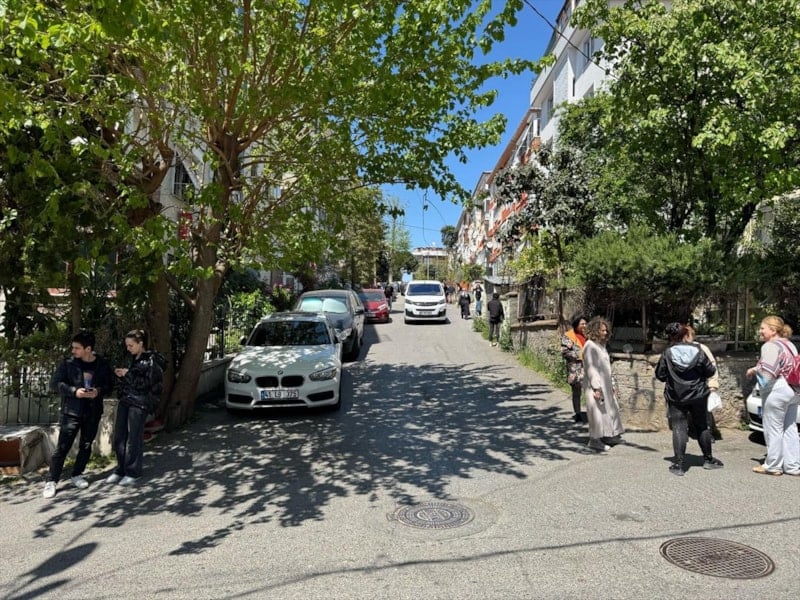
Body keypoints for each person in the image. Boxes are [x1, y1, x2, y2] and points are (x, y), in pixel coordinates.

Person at [43, 331, 114, 499]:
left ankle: (77, 474)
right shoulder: (68, 363)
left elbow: (110, 384)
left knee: (86, 445)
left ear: (88, 349)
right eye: (73, 347)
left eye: (77, 348)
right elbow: (54, 384)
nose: (73, 351)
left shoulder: (102, 364)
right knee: (62, 447)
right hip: (72, 412)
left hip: (93, 411)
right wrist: (74, 391)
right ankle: (51, 480)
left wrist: (98, 391)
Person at [655, 322, 722, 476]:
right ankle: (708, 460)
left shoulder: (668, 353)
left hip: (676, 396)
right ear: (685, 334)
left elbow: (660, 375)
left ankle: (679, 465)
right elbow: (710, 371)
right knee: (702, 425)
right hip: (698, 395)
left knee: (679, 427)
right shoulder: (698, 350)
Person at [108, 330, 164, 486]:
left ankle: (133, 472)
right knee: (120, 437)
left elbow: (148, 384)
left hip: (139, 402)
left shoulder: (152, 361)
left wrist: (128, 374)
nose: (128, 348)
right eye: (127, 345)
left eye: (131, 345)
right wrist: (121, 375)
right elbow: (129, 380)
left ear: (141, 344)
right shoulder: (131, 358)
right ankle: (121, 469)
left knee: (134, 438)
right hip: (126, 399)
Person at [746, 316, 800, 476]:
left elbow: (768, 373)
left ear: (773, 330)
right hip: (794, 389)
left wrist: (754, 371)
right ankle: (792, 466)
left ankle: (773, 465)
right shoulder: (789, 344)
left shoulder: (770, 346)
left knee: (773, 428)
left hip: (778, 390)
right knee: (790, 428)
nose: (760, 331)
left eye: (763, 328)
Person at [582, 317, 624, 452]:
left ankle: (608, 435)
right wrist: (596, 388)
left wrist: (612, 384)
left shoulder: (601, 345)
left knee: (608, 410)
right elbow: (591, 368)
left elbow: (607, 367)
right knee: (596, 413)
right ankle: (594, 440)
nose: (605, 333)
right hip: (595, 385)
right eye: (602, 330)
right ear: (595, 331)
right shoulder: (590, 346)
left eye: (606, 330)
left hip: (605, 384)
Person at [685, 325, 722, 439]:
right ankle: (688, 431)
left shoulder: (702, 348)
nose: (685, 338)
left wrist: (713, 384)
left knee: (704, 410)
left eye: (687, 335)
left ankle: (707, 433)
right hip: (685, 385)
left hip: (700, 385)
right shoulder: (676, 349)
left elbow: (712, 365)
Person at [561, 314, 587, 423]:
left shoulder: (588, 335)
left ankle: (592, 412)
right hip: (575, 368)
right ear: (576, 324)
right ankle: (578, 413)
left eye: (585, 324)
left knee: (591, 390)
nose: (585, 326)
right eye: (582, 324)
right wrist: (579, 355)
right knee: (576, 391)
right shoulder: (568, 336)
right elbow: (565, 352)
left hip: (588, 367)